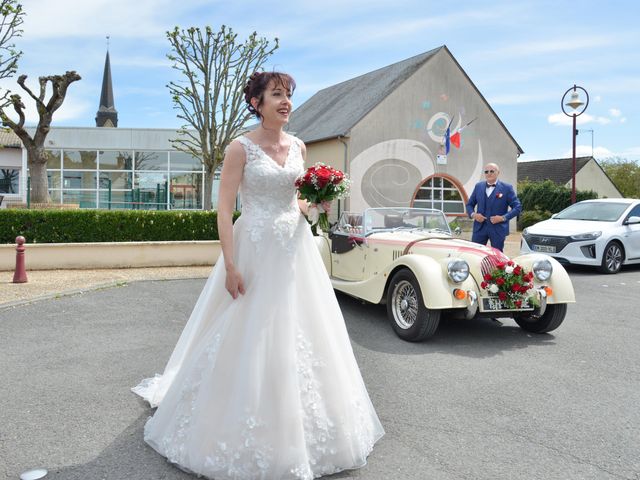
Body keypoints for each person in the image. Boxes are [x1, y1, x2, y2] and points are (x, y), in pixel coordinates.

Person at [132, 71, 384, 480]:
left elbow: (296, 198)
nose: (286, 102)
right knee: (245, 325)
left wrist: (314, 203)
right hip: (254, 246)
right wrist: (230, 265)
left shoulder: (299, 145)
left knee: (306, 327)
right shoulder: (240, 148)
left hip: (295, 248)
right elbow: (225, 209)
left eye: (289, 96)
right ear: (257, 102)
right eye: (277, 95)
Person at [465, 163, 521, 252]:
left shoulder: (507, 188)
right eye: (486, 171)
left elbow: (517, 207)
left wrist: (503, 218)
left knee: (497, 256)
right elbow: (469, 205)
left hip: (498, 229)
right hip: (480, 228)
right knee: (475, 253)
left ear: (498, 172)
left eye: (492, 171)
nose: (489, 173)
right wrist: (474, 215)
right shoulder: (478, 186)